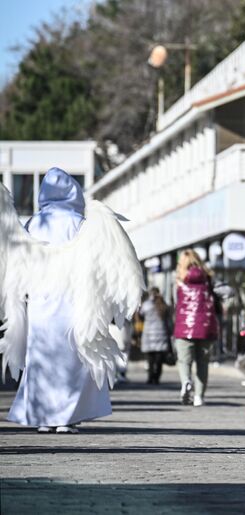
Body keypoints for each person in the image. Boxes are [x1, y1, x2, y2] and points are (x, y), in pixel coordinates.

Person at [5, 168, 113, 433]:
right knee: (73, 359)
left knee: (42, 359)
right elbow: (96, 263)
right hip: (73, 300)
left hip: (41, 301)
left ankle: (44, 418)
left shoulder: (33, 223)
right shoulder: (80, 223)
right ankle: (68, 418)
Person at [173, 249, 219, 407]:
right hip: (205, 327)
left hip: (184, 326)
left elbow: (175, 303)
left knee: (184, 361)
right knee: (202, 362)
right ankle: (199, 396)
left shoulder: (180, 280)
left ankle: (186, 381)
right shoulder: (208, 278)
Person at [139, 287, 170, 385]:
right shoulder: (163, 304)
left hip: (149, 335)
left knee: (150, 359)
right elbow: (168, 319)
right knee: (159, 359)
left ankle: (150, 377)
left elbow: (140, 314)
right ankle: (157, 377)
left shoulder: (146, 304)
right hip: (161, 334)